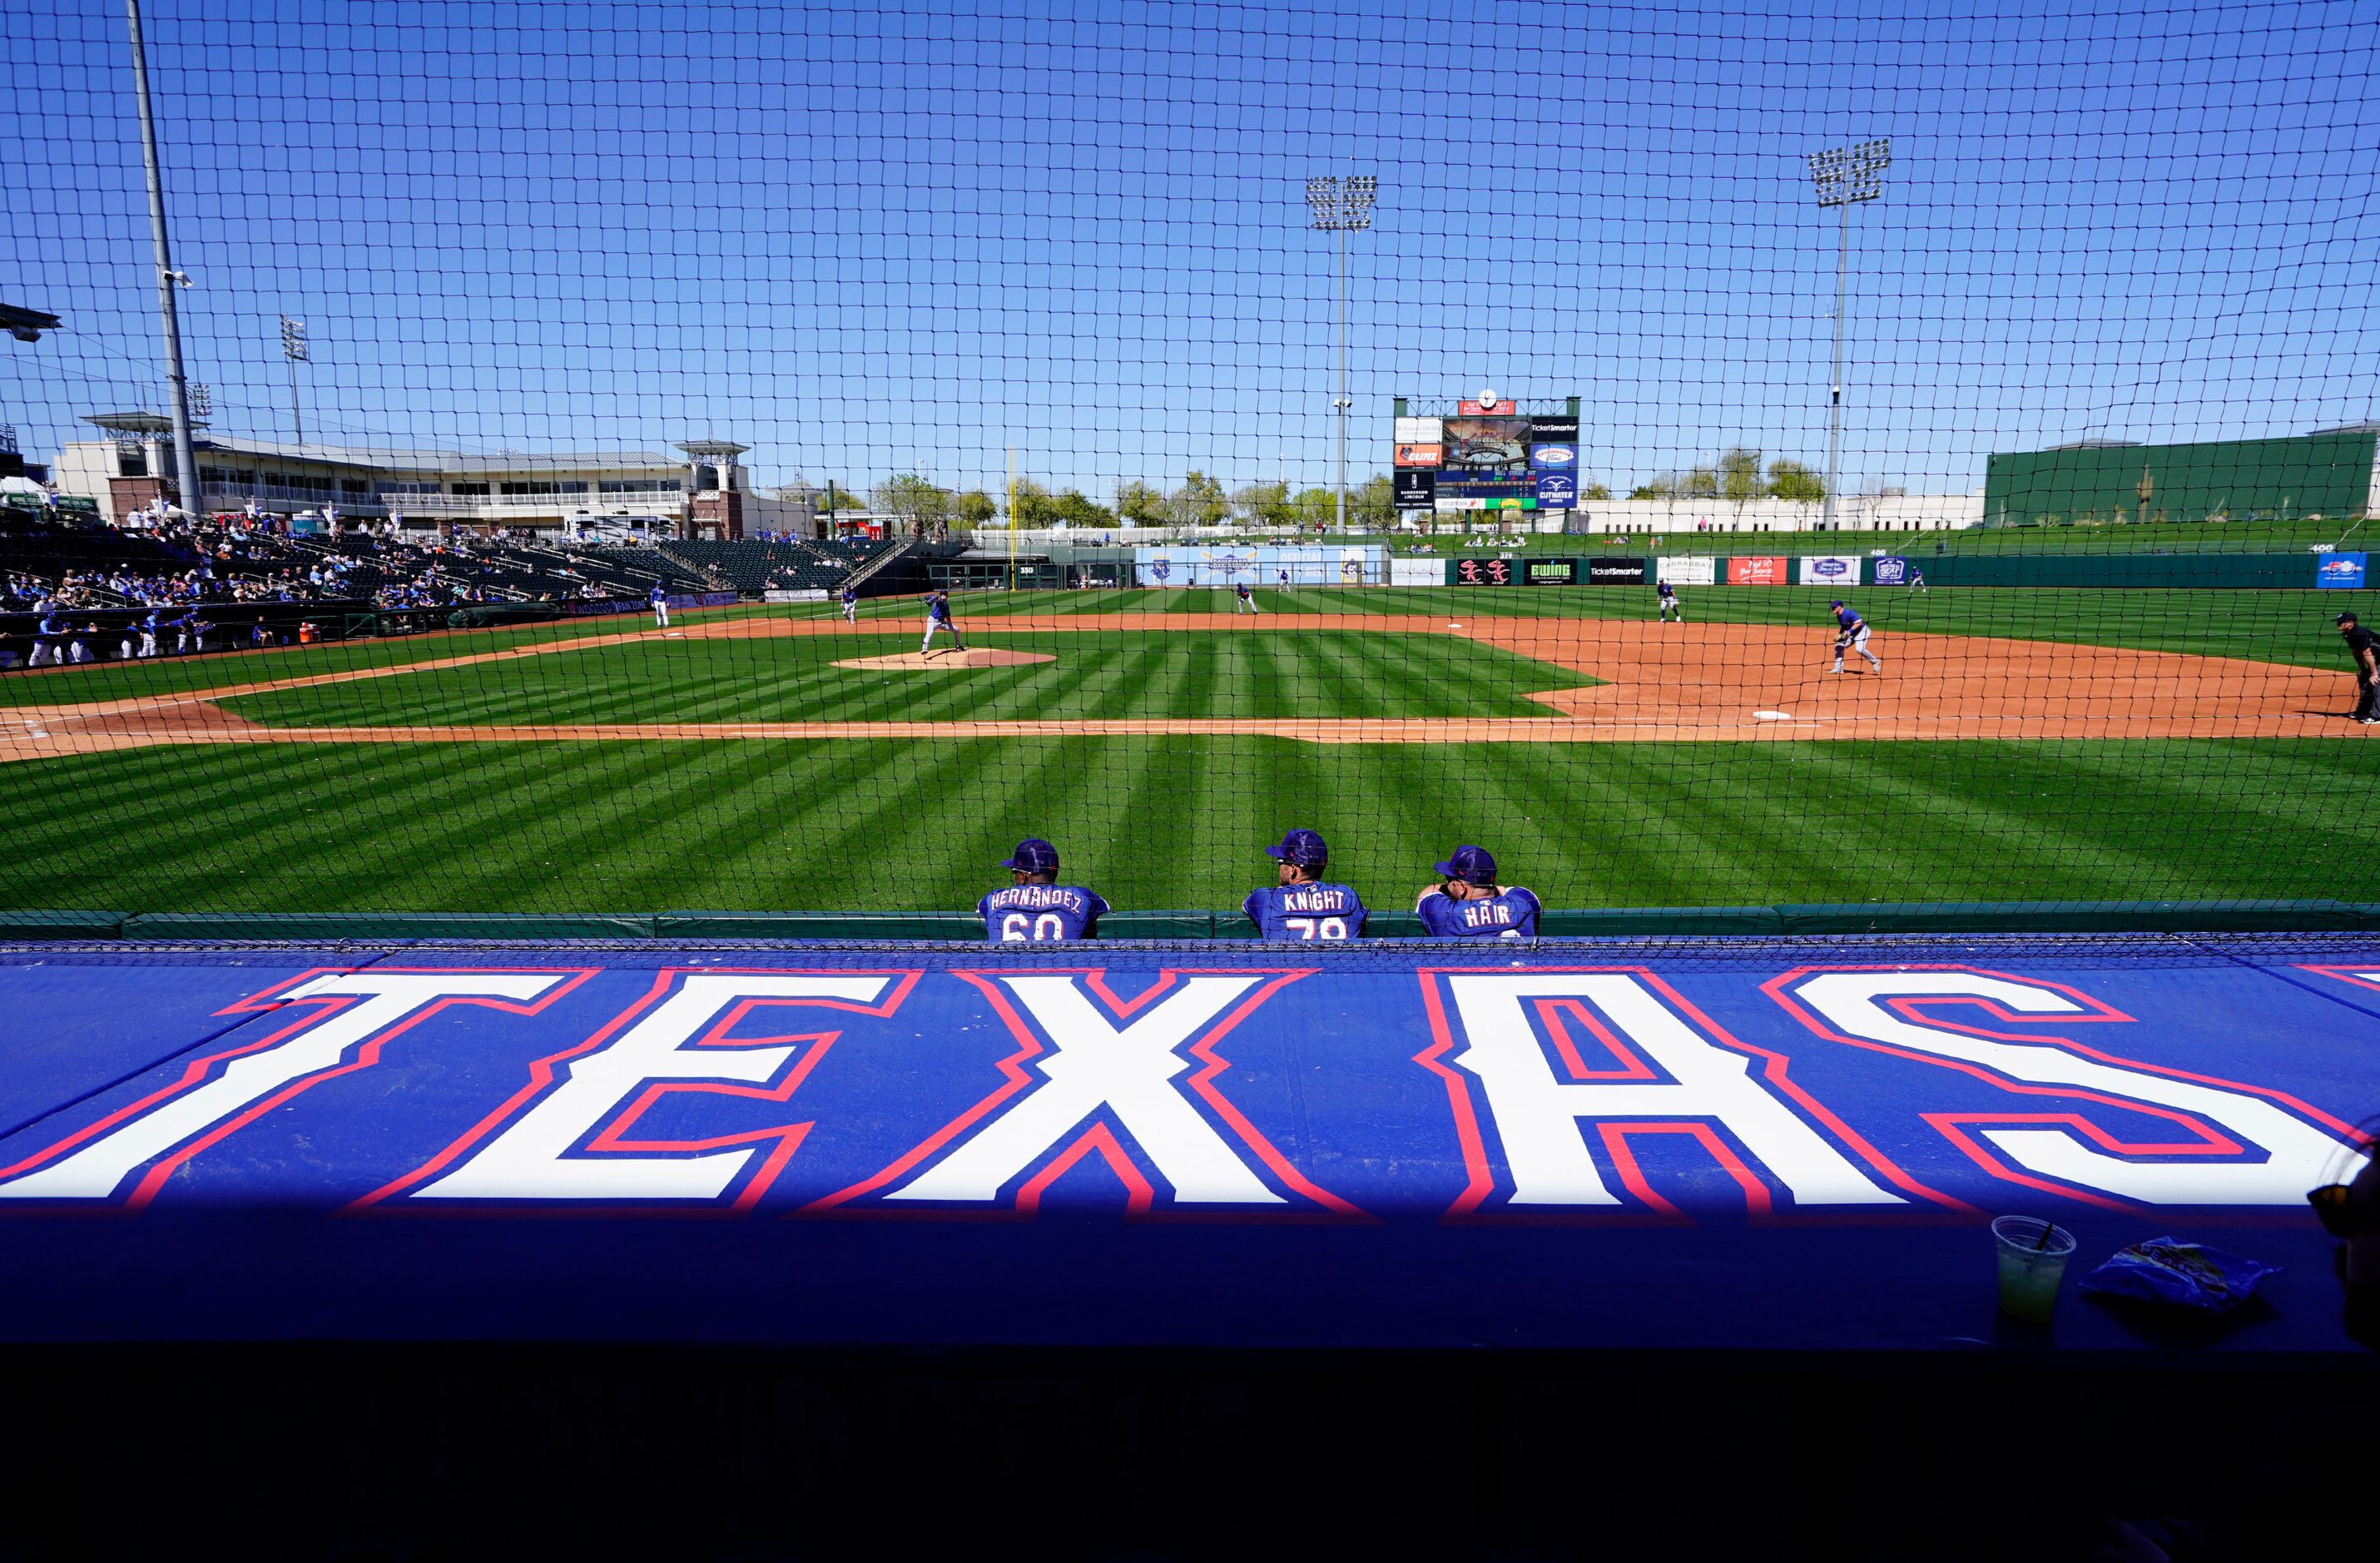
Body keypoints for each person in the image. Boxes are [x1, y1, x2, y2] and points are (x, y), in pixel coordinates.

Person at [1242, 829, 1366, 942]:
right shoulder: (1348, 896)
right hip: (1341, 965)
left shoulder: (1266, 898)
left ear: (1292, 870)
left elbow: (1246, 906)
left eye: (1281, 861)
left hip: (1291, 966)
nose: (1279, 866)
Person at [977, 837, 1109, 943]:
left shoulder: (992, 899)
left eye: (1015, 872)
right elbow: (1107, 912)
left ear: (1024, 877)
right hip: (1063, 971)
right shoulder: (1083, 897)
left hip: (1006, 970)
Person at [1414, 845, 1541, 939]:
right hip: (1522, 972)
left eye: (1450, 879)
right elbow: (1514, 891)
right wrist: (1497, 890)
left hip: (1466, 974)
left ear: (1463, 888)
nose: (1448, 884)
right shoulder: (1524, 904)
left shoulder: (1446, 914)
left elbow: (1428, 893)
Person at [2339, 611, 2378, 725]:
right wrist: (2362, 669)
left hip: (2375, 656)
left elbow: (2367, 652)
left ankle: (2377, 716)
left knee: (2376, 681)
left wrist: (2374, 673)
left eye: (2341, 622)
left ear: (2351, 623)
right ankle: (2362, 712)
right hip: (2377, 656)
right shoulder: (2347, 633)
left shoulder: (2359, 633)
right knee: (2364, 679)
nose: (2338, 624)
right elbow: (2356, 651)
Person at [1827, 599, 1881, 675]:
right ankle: (1838, 669)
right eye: (1832, 607)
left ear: (1840, 607)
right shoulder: (1839, 617)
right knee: (1839, 646)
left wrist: (1849, 632)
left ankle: (1875, 661)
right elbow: (1844, 627)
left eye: (1834, 607)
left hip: (1862, 631)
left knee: (1860, 649)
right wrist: (1840, 635)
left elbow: (1859, 623)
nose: (1832, 609)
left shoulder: (1849, 613)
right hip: (1852, 633)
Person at [920, 588, 964, 655]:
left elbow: (948, 617)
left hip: (942, 622)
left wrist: (950, 625)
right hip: (933, 621)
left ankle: (958, 646)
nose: (943, 595)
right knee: (930, 633)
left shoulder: (946, 605)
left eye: (944, 594)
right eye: (942, 594)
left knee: (957, 629)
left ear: (947, 596)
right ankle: (924, 648)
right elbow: (938, 601)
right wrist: (935, 598)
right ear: (940, 596)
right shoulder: (940, 601)